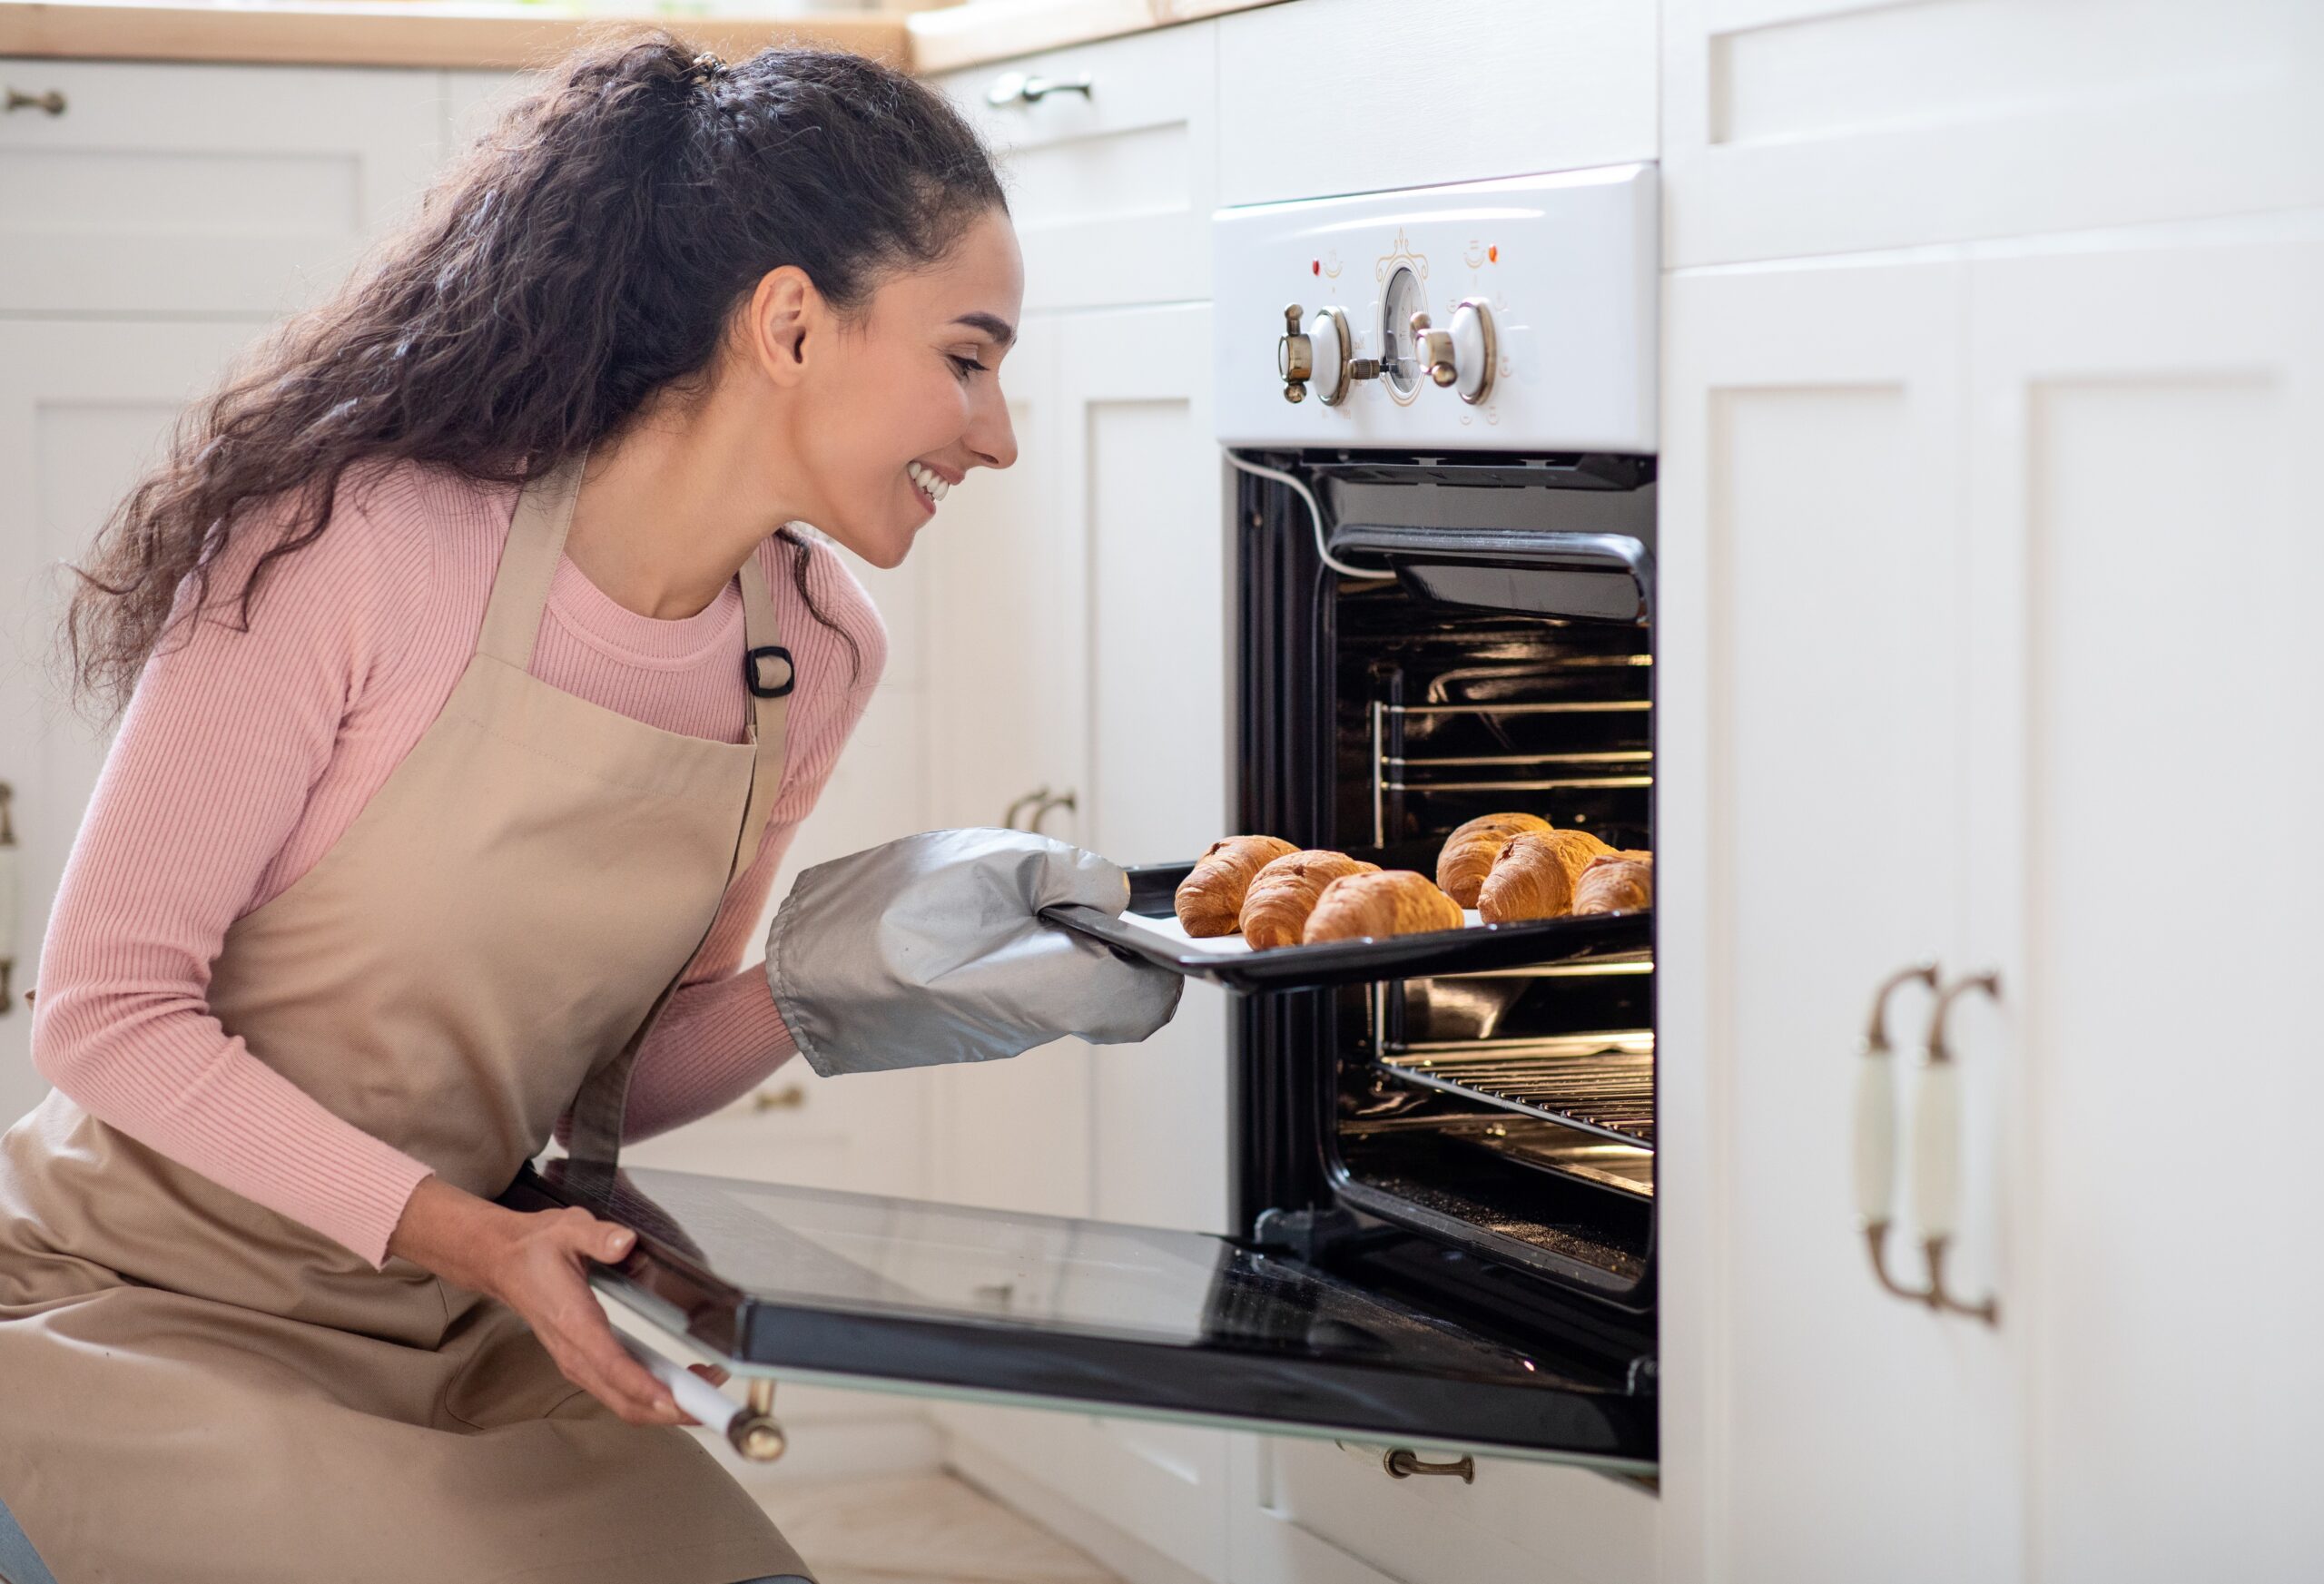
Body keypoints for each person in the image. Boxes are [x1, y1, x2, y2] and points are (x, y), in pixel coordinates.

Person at [0, 36, 1176, 1584]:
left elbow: (602, 1091)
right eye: (968, 356)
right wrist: (478, 1236)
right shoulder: (362, 545)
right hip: (141, 1305)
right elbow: (101, 1015)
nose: (999, 430)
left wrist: (836, 981)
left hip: (460, 1319)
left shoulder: (808, 655)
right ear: (789, 322)